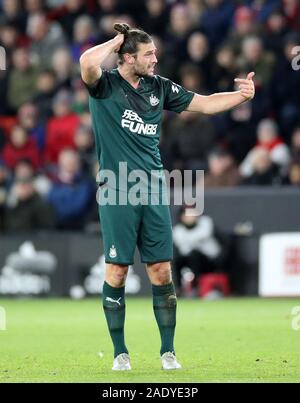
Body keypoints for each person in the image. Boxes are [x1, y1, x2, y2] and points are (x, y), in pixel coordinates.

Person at [80, 22, 255, 371]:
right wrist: (115, 41)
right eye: (148, 54)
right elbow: (86, 61)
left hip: (154, 188)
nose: (155, 59)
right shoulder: (105, 85)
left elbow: (203, 104)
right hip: (116, 190)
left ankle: (168, 351)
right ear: (127, 57)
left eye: (155, 53)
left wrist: (241, 96)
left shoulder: (158, 87)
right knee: (116, 271)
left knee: (161, 271)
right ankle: (120, 353)